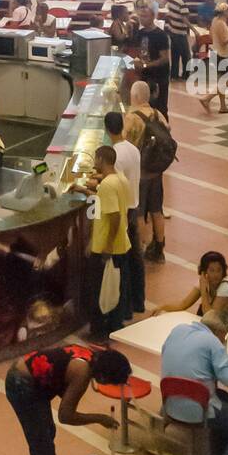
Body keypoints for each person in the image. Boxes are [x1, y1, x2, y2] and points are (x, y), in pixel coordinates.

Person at [5, 344, 125, 455]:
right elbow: (65, 416)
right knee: (42, 444)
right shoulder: (82, 372)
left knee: (46, 435)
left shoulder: (88, 356)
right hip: (21, 383)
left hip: (28, 379)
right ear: (104, 376)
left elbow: (58, 374)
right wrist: (100, 419)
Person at [160, 311, 228, 455]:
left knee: (223, 398)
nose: (224, 340)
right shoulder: (212, 341)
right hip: (198, 410)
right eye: (224, 336)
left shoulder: (178, 330)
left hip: (170, 404)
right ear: (218, 332)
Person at [81, 144, 131, 339]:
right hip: (121, 244)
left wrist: (107, 246)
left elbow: (114, 216)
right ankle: (114, 326)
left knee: (100, 291)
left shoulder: (108, 185)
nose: (94, 162)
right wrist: (85, 192)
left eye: (96, 158)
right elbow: (106, 202)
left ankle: (100, 331)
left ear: (101, 159)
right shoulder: (119, 180)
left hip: (106, 247)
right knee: (115, 288)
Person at [103, 109, 144, 318]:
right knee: (136, 259)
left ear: (107, 129)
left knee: (123, 262)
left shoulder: (116, 155)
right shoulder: (133, 149)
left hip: (123, 210)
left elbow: (114, 184)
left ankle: (124, 308)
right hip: (134, 205)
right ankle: (139, 301)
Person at [126, 80, 169, 264]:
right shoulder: (158, 114)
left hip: (140, 174)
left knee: (139, 213)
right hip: (156, 172)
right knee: (156, 210)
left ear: (135, 96)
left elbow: (124, 142)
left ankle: (141, 249)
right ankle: (159, 248)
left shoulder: (132, 117)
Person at [154, 251, 228, 325]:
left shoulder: (225, 288)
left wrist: (203, 289)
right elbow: (183, 304)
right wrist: (162, 307)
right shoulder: (204, 281)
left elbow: (209, 317)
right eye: (212, 270)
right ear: (204, 271)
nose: (216, 275)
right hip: (218, 326)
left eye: (219, 270)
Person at [134, 4, 171, 117]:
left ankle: (163, 131)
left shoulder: (161, 35)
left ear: (153, 16)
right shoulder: (140, 33)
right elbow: (137, 51)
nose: (142, 19)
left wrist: (146, 65)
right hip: (145, 76)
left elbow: (164, 59)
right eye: (140, 16)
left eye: (145, 16)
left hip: (159, 77)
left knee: (160, 108)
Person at [202, 2, 228, 113]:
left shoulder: (215, 20)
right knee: (226, 82)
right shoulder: (221, 23)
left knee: (222, 80)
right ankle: (207, 98)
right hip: (222, 55)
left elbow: (213, 35)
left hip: (216, 52)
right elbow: (224, 41)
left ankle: (223, 106)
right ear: (225, 11)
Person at [165, 0, 193, 80]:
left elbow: (168, 14)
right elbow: (184, 19)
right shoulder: (182, 2)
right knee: (186, 55)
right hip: (180, 33)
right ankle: (186, 75)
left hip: (172, 31)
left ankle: (174, 75)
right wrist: (194, 29)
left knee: (175, 55)